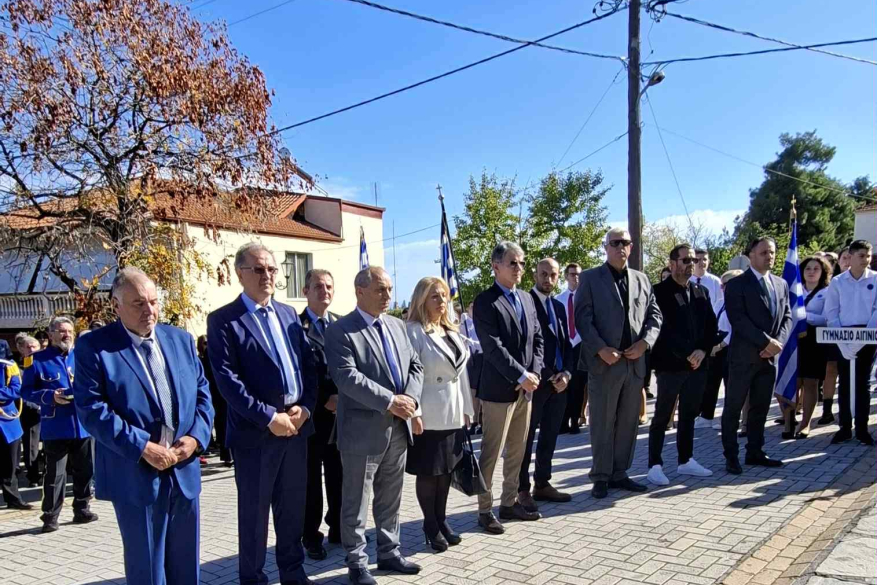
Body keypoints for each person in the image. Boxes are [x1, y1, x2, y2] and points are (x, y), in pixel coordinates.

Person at [73, 268, 214, 585]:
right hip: (135, 473)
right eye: (138, 303)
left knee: (186, 566)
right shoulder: (95, 347)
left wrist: (196, 438)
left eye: (153, 301)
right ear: (116, 306)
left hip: (183, 469)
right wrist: (142, 447)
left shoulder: (180, 339)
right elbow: (92, 409)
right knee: (147, 570)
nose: (149, 310)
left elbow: (203, 393)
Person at [207, 243, 317, 585]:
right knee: (254, 515)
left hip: (296, 428)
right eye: (258, 269)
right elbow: (227, 381)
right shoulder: (223, 321)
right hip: (256, 434)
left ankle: (293, 573)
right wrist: (270, 417)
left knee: (292, 509)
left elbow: (308, 366)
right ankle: (253, 578)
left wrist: (306, 407)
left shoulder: (289, 314)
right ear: (240, 274)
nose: (267, 275)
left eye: (272, 269)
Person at [325, 266, 424, 585]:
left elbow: (415, 365)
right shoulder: (341, 331)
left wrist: (410, 399)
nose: (388, 296)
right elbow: (346, 377)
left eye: (390, 289)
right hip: (361, 432)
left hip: (398, 426)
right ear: (360, 291)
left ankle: (389, 552)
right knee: (356, 501)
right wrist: (390, 400)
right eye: (381, 289)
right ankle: (356, 562)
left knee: (390, 496)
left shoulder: (397, 325)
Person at [574, 228, 662, 499]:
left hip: (634, 363)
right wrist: (600, 349)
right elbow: (582, 319)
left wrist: (645, 343)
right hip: (605, 363)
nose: (620, 247)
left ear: (631, 247)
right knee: (602, 422)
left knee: (627, 423)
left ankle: (619, 473)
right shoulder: (590, 278)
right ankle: (600, 476)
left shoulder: (642, 279)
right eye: (615, 243)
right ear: (606, 247)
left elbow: (655, 315)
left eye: (625, 243)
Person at [473, 241, 544, 531]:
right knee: (492, 452)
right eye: (513, 263)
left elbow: (538, 338)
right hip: (498, 391)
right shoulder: (486, 301)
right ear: (496, 266)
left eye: (522, 263)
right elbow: (493, 347)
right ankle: (484, 509)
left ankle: (509, 502)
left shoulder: (526, 298)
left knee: (518, 450)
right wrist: (520, 375)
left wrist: (533, 373)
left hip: (526, 390)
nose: (519, 268)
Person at [405, 277, 474, 552]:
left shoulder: (451, 330)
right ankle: (430, 525)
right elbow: (410, 375)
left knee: (446, 470)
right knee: (429, 471)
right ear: (422, 300)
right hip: (428, 411)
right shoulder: (413, 331)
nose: (442, 301)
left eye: (444, 295)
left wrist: (467, 408)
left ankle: (442, 520)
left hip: (452, 410)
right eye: (435, 296)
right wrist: (415, 412)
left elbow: (461, 374)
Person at [647, 244, 718, 485]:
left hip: (697, 365)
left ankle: (686, 460)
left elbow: (711, 325)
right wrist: (688, 353)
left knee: (689, 413)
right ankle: (654, 464)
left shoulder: (701, 291)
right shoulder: (658, 292)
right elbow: (662, 329)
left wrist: (702, 350)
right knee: (662, 415)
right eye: (686, 260)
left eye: (693, 260)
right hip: (670, 365)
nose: (691, 264)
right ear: (672, 263)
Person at [721, 236, 792, 474]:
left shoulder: (781, 284)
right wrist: (765, 342)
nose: (769, 256)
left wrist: (778, 343)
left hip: (769, 359)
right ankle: (731, 456)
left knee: (760, 408)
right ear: (751, 255)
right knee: (733, 408)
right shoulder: (737, 285)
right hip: (744, 358)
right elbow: (738, 319)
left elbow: (788, 316)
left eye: (772, 252)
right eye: (763, 252)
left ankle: (755, 451)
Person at [22, 316, 97, 533]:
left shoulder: (82, 356)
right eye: (62, 331)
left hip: (82, 424)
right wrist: (49, 396)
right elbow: (26, 391)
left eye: (70, 331)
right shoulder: (36, 360)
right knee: (55, 475)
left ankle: (82, 508)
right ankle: (50, 516)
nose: (67, 335)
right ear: (51, 334)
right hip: (56, 426)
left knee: (85, 470)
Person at [518, 258, 574, 512]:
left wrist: (567, 374)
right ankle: (522, 488)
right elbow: (526, 346)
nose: (548, 279)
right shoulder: (525, 303)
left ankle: (542, 483)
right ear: (534, 275)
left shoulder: (559, 306)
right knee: (526, 438)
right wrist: (549, 374)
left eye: (553, 275)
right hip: (536, 383)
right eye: (543, 274)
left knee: (550, 436)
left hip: (559, 385)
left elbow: (567, 344)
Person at [298, 269, 343, 561]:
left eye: (328, 286)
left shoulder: (340, 324)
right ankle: (311, 536)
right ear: (305, 291)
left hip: (342, 416)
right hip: (313, 417)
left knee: (340, 477)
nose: (324, 291)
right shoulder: (295, 326)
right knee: (311, 482)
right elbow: (298, 372)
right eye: (318, 286)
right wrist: (324, 399)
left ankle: (338, 527)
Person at [823, 240, 877, 445]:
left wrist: (863, 339)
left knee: (863, 382)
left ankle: (862, 429)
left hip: (868, 333)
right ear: (851, 256)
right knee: (845, 381)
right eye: (861, 256)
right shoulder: (838, 282)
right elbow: (831, 312)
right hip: (842, 333)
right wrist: (842, 343)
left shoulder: (876, 279)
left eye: (868, 256)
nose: (866, 260)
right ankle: (844, 428)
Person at [794, 256, 833, 439]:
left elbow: (826, 319)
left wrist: (804, 316)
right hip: (794, 340)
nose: (811, 272)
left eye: (816, 268)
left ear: (823, 272)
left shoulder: (827, 292)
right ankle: (789, 419)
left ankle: (805, 424)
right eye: (808, 268)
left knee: (811, 382)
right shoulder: (794, 289)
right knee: (793, 381)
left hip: (815, 341)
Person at [698, 270, 741, 431]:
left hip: (731, 350)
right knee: (710, 384)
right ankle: (706, 416)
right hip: (715, 351)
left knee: (731, 386)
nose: (722, 288)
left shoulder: (740, 303)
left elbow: (736, 329)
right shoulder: (720, 302)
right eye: (722, 285)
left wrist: (721, 345)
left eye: (726, 284)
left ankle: (730, 420)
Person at [557, 263, 586, 434]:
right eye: (573, 274)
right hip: (565, 345)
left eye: (578, 274)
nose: (576, 277)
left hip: (582, 345)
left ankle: (575, 419)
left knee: (578, 385)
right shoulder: (559, 299)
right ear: (566, 276)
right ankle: (563, 421)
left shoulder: (586, 297)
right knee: (564, 384)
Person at [1, 357, 32, 509]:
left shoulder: (8, 365)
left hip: (7, 421)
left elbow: (17, 389)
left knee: (11, 464)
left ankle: (13, 499)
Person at [197, 335, 231, 466]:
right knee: (222, 423)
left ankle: (227, 454)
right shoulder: (208, 356)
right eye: (204, 343)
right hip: (216, 393)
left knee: (223, 423)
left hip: (221, 393)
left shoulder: (219, 352)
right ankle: (226, 454)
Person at [15, 333, 44, 485]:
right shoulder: (19, 368)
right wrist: (36, 405)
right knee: (31, 446)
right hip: (31, 412)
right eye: (28, 347)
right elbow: (21, 392)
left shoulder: (45, 363)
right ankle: (33, 476)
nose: (32, 349)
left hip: (51, 410)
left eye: (34, 346)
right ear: (21, 349)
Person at [460, 302, 483, 434]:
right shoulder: (464, 322)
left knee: (483, 393)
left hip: (482, 357)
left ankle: (482, 421)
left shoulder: (482, 321)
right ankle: (474, 422)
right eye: (471, 307)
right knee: (473, 393)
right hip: (472, 360)